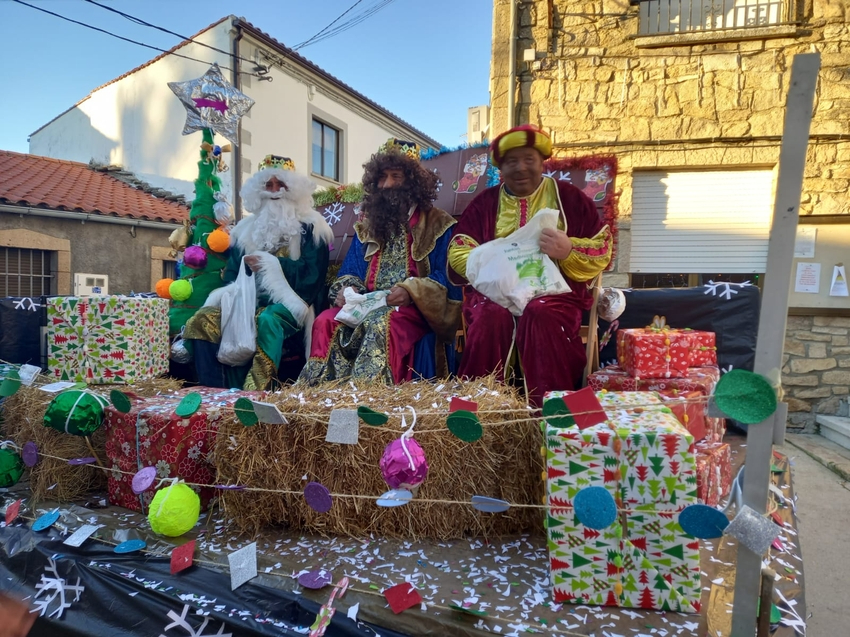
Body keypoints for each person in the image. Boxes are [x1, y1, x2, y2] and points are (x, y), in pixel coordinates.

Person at [448, 125, 612, 406]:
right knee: (490, 317)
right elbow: (459, 250)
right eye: (512, 161)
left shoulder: (571, 199)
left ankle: (552, 412)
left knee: (541, 314)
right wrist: (494, 263)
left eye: (528, 159)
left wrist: (569, 249)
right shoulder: (484, 204)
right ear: (501, 167)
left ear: (541, 161)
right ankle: (479, 412)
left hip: (555, 298)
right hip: (494, 296)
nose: (521, 168)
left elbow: (602, 248)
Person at [298, 139, 461, 385]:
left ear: (413, 182)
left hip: (413, 311)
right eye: (382, 178)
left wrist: (411, 290)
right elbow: (350, 271)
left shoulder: (438, 224)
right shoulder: (367, 227)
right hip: (365, 307)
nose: (387, 185)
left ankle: (369, 401)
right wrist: (346, 289)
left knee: (381, 324)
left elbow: (448, 278)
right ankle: (319, 398)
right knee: (325, 321)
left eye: (396, 176)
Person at [185, 155, 333, 390]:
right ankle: (215, 390)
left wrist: (270, 264)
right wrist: (238, 287)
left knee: (267, 320)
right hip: (248, 299)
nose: (274, 192)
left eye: (280, 185)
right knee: (202, 319)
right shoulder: (244, 230)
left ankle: (257, 392)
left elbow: (312, 275)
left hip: (294, 303)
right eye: (268, 185)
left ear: (293, 189)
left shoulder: (312, 227)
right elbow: (232, 275)